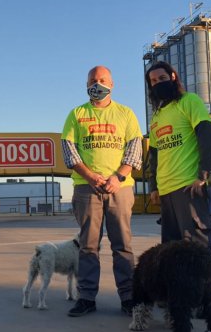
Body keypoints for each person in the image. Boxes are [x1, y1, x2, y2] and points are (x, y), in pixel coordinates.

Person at [61, 65, 142, 317]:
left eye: (103, 79)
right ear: (86, 84)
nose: (98, 84)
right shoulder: (76, 114)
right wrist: (90, 176)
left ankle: (129, 297)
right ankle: (86, 297)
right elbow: (69, 149)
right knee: (88, 246)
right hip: (87, 188)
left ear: (112, 84)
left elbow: (135, 148)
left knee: (123, 246)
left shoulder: (125, 114)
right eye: (93, 80)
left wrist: (118, 177)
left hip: (120, 187)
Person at [144, 61, 211, 249]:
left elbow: (207, 136)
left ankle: (205, 280)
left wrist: (203, 175)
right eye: (153, 81)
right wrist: (154, 187)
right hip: (166, 191)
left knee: (197, 248)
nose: (158, 83)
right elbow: (154, 155)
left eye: (162, 78)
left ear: (173, 77)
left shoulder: (189, 101)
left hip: (188, 187)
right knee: (172, 251)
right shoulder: (157, 117)